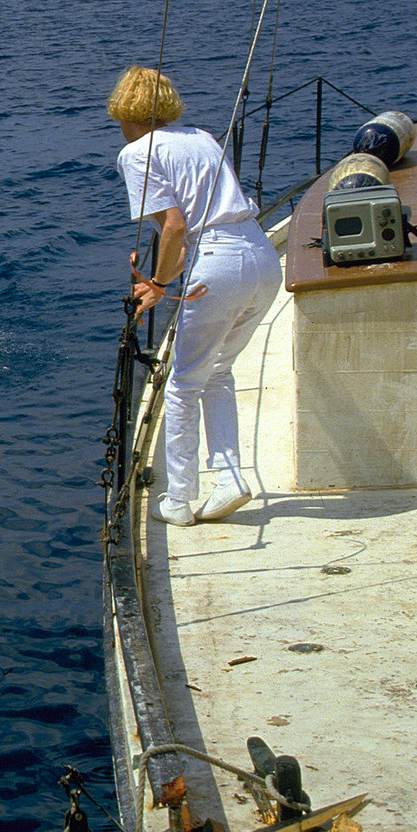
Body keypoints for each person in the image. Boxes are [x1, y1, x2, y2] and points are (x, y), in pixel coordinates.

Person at [108, 65, 283, 527]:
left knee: (183, 384)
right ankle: (228, 478)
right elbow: (190, 234)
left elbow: (174, 227)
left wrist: (156, 284)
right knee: (218, 370)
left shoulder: (136, 153)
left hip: (217, 261)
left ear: (124, 113)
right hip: (261, 255)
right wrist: (163, 280)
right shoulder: (201, 138)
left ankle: (180, 500)